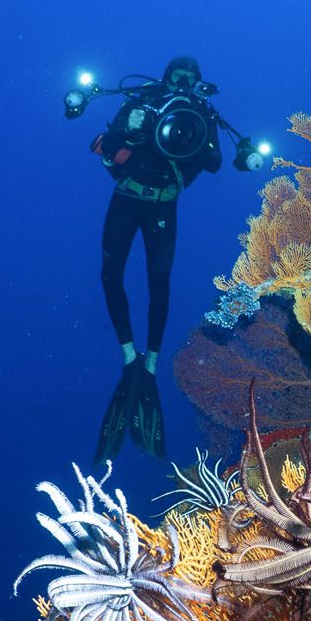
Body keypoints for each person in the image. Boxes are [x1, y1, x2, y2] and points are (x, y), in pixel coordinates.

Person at [90, 56, 223, 464]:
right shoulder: (143, 104)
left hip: (165, 207)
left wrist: (196, 133)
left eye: (191, 78)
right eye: (177, 76)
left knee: (158, 284)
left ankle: (150, 362)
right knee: (110, 275)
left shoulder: (198, 113)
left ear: (198, 83)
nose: (183, 82)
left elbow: (216, 162)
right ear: (165, 78)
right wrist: (132, 135)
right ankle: (129, 355)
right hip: (127, 200)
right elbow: (105, 148)